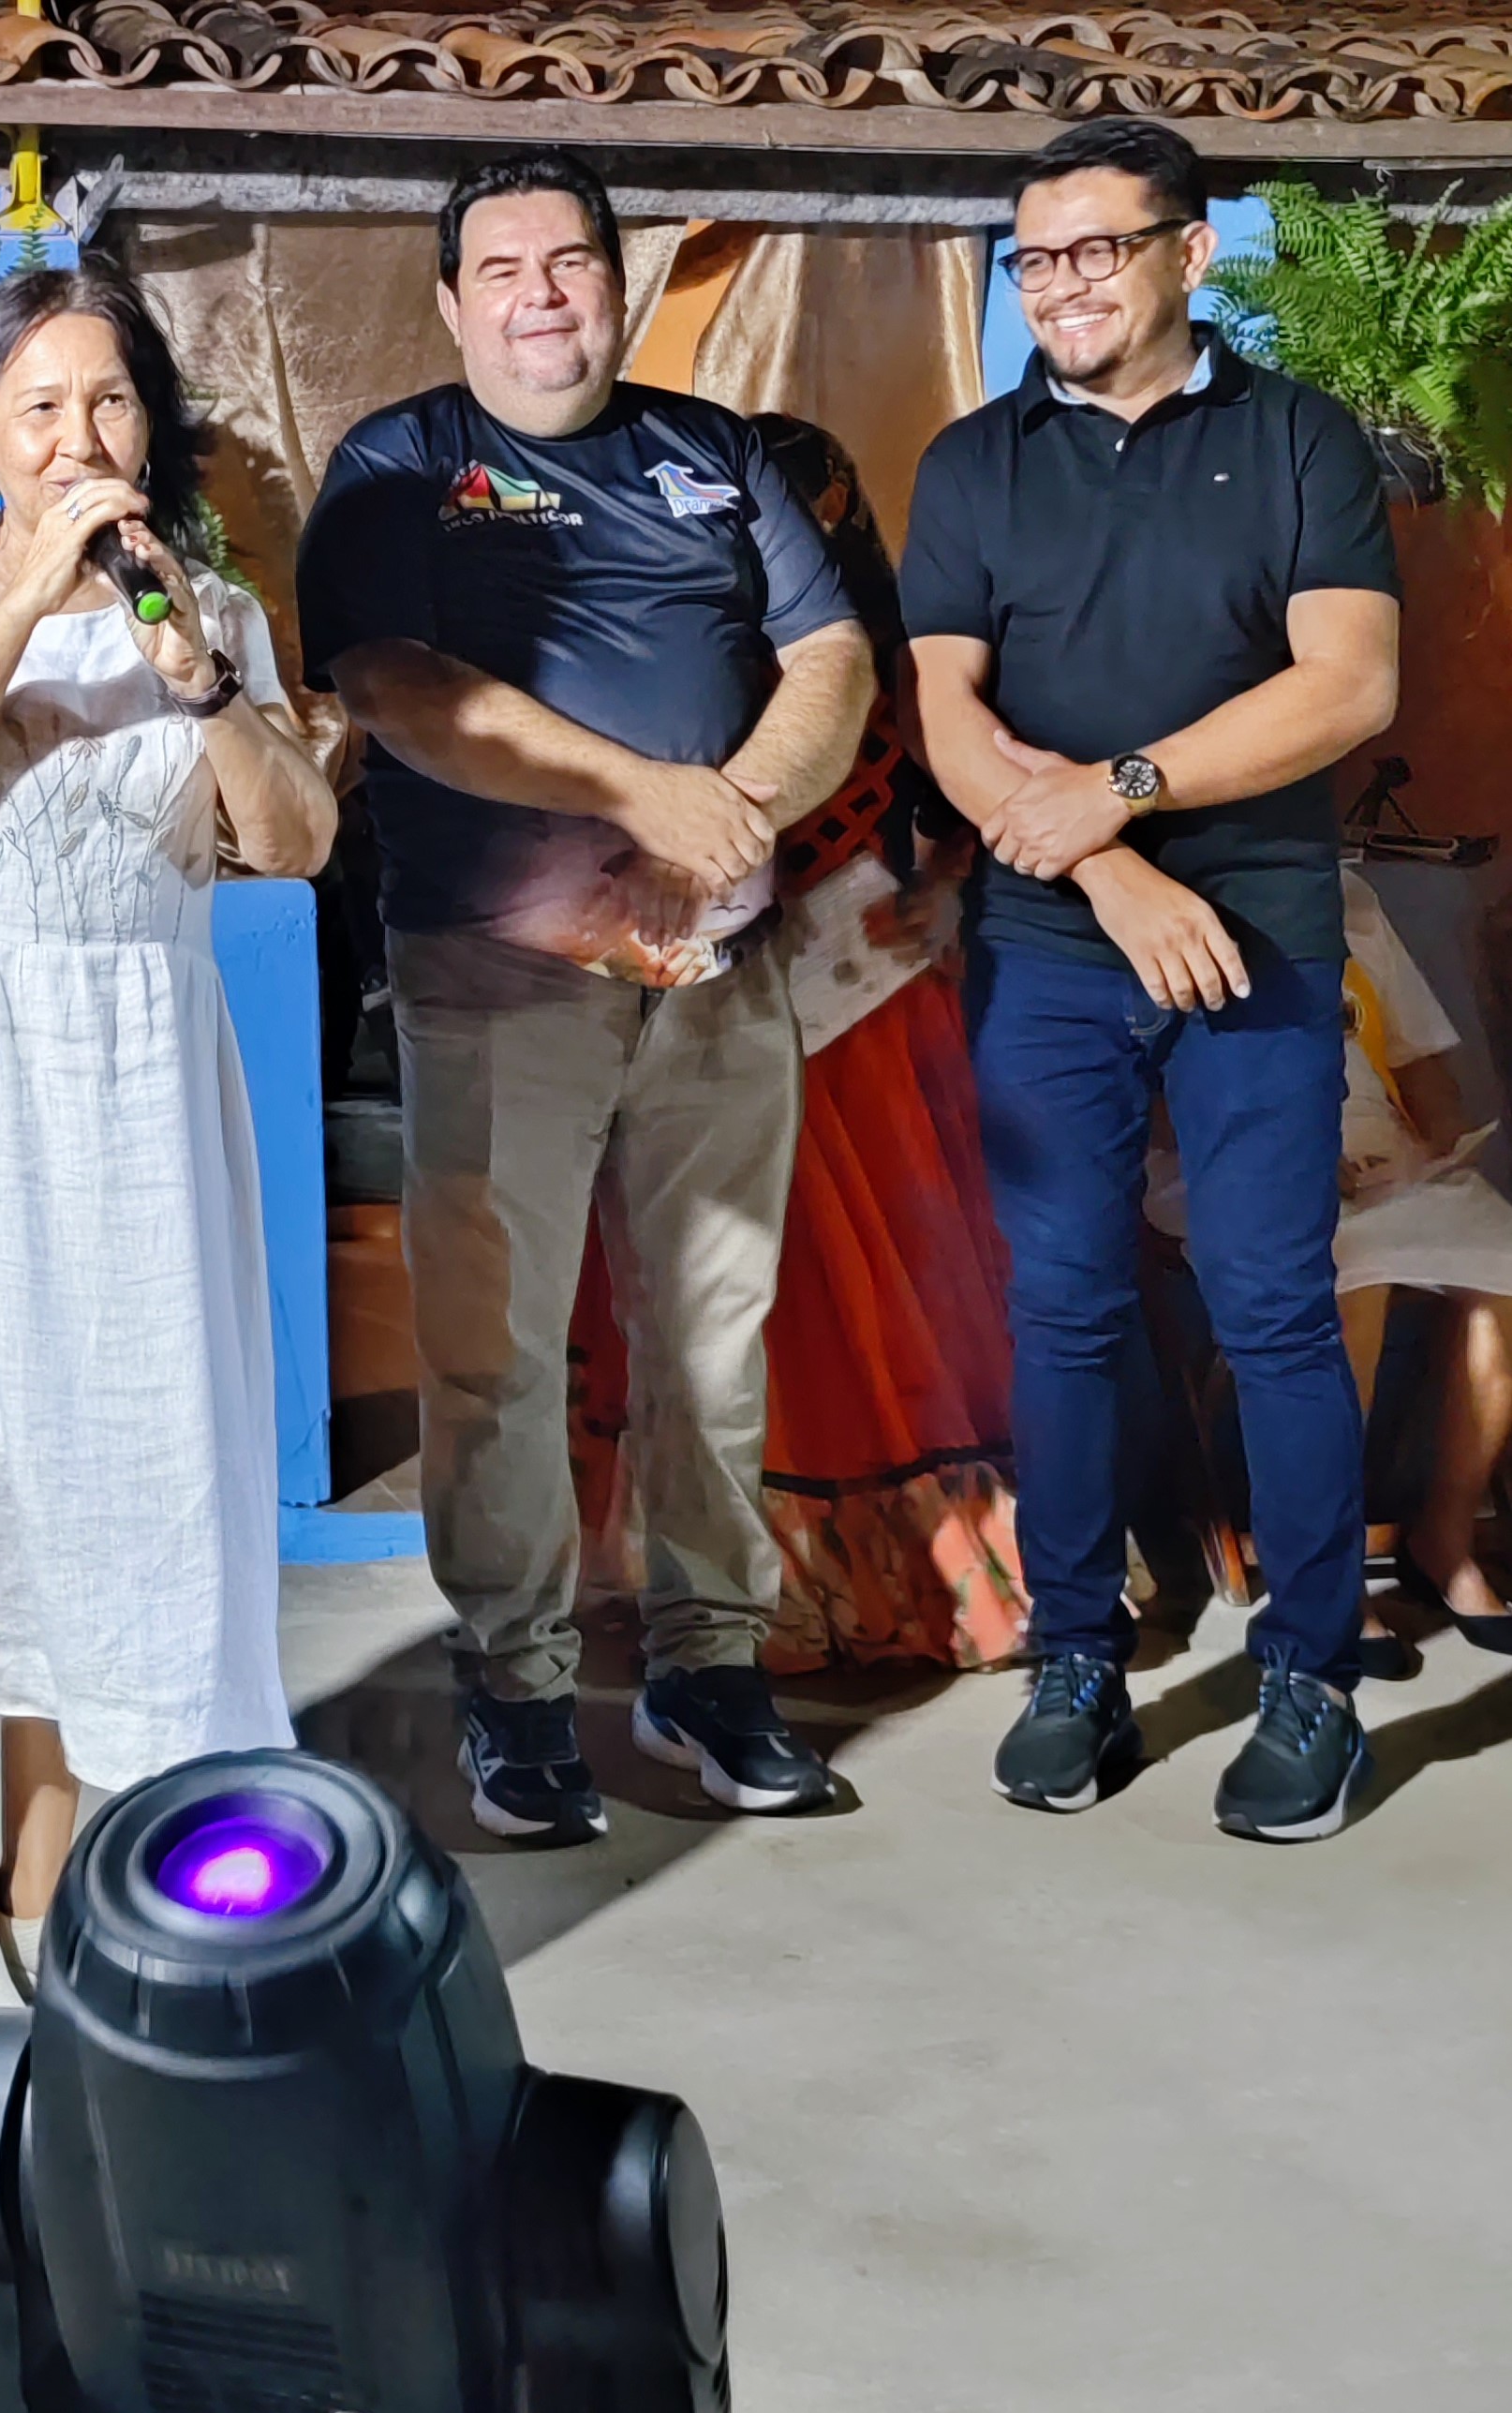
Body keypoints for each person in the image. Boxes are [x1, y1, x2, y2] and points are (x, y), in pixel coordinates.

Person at [294, 151, 876, 1838]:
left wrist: (727, 817)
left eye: (569, 262)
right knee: (492, 1358)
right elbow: (394, 687)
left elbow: (829, 656)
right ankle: (517, 1686)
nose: (539, 294)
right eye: (501, 268)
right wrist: (641, 798)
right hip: (499, 982)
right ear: (448, 302)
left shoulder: (714, 452)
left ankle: (708, 1667)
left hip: (718, 977)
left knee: (712, 1337)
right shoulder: (398, 463)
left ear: (615, 284)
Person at [0, 266, 336, 2020]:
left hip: (131, 1090)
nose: (77, 437)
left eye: (108, 401)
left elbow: (294, 845)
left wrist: (203, 684)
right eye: (38, 406)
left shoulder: (207, 609)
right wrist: (23, 595)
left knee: (107, 1479)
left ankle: (54, 1859)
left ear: (149, 432)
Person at [902, 118, 1403, 1840]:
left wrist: (1123, 790)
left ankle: (1310, 1678)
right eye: (1032, 258)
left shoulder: (1295, 440)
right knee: (1061, 1307)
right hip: (1051, 943)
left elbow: (1346, 685)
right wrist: (1108, 869)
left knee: (1270, 1304)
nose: (1058, 286)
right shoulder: (973, 464)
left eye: (1093, 250)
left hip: (1254, 929)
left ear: (1187, 254)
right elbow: (947, 715)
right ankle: (1074, 1659)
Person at [565, 416, 1029, 1673]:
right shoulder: (673, 645)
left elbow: (981, 803)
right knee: (715, 1282)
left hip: (867, 1022)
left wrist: (949, 891)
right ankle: (718, 1585)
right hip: (709, 996)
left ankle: (895, 1580)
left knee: (863, 1299)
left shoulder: (897, 657)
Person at [1147, 866, 1512, 1656]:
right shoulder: (1157, 900)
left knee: (1504, 1278)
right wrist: (1293, 1154)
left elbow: (1419, 1063)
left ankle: (1445, 1536)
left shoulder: (1347, 899)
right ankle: (1326, 1569)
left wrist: (1436, 1147)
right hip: (1235, 1161)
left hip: (1385, 1159)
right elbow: (1152, 1100)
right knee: (1351, 1282)